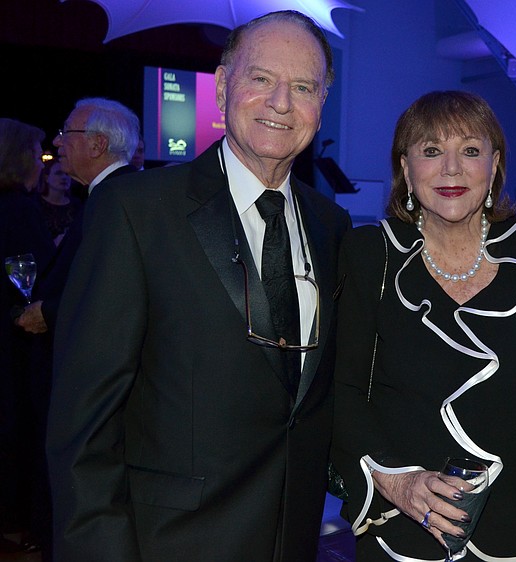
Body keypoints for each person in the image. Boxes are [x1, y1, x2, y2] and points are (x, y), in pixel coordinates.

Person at [46, 10, 351, 562]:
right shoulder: (136, 212)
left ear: (321, 103)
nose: (281, 102)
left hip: (294, 539)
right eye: (261, 79)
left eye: (303, 86)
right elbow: (83, 427)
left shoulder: (332, 227)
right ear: (221, 86)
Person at [331, 90, 516, 561]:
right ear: (405, 168)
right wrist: (395, 480)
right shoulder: (368, 255)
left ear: (495, 164)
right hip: (404, 532)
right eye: (432, 151)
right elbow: (341, 388)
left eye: (471, 151)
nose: (452, 169)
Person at [16, 97, 139, 336]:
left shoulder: (118, 199)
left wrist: (50, 313)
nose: (57, 141)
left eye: (66, 131)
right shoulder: (110, 194)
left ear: (97, 145)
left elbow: (118, 292)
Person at [0, 118, 53, 554]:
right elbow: (34, 279)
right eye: (37, 154)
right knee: (17, 428)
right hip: (16, 345)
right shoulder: (19, 210)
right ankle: (16, 522)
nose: (43, 160)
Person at [34, 159, 82, 246]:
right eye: (58, 173)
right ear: (46, 177)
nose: (64, 177)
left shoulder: (77, 205)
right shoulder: (35, 205)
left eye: (67, 174)